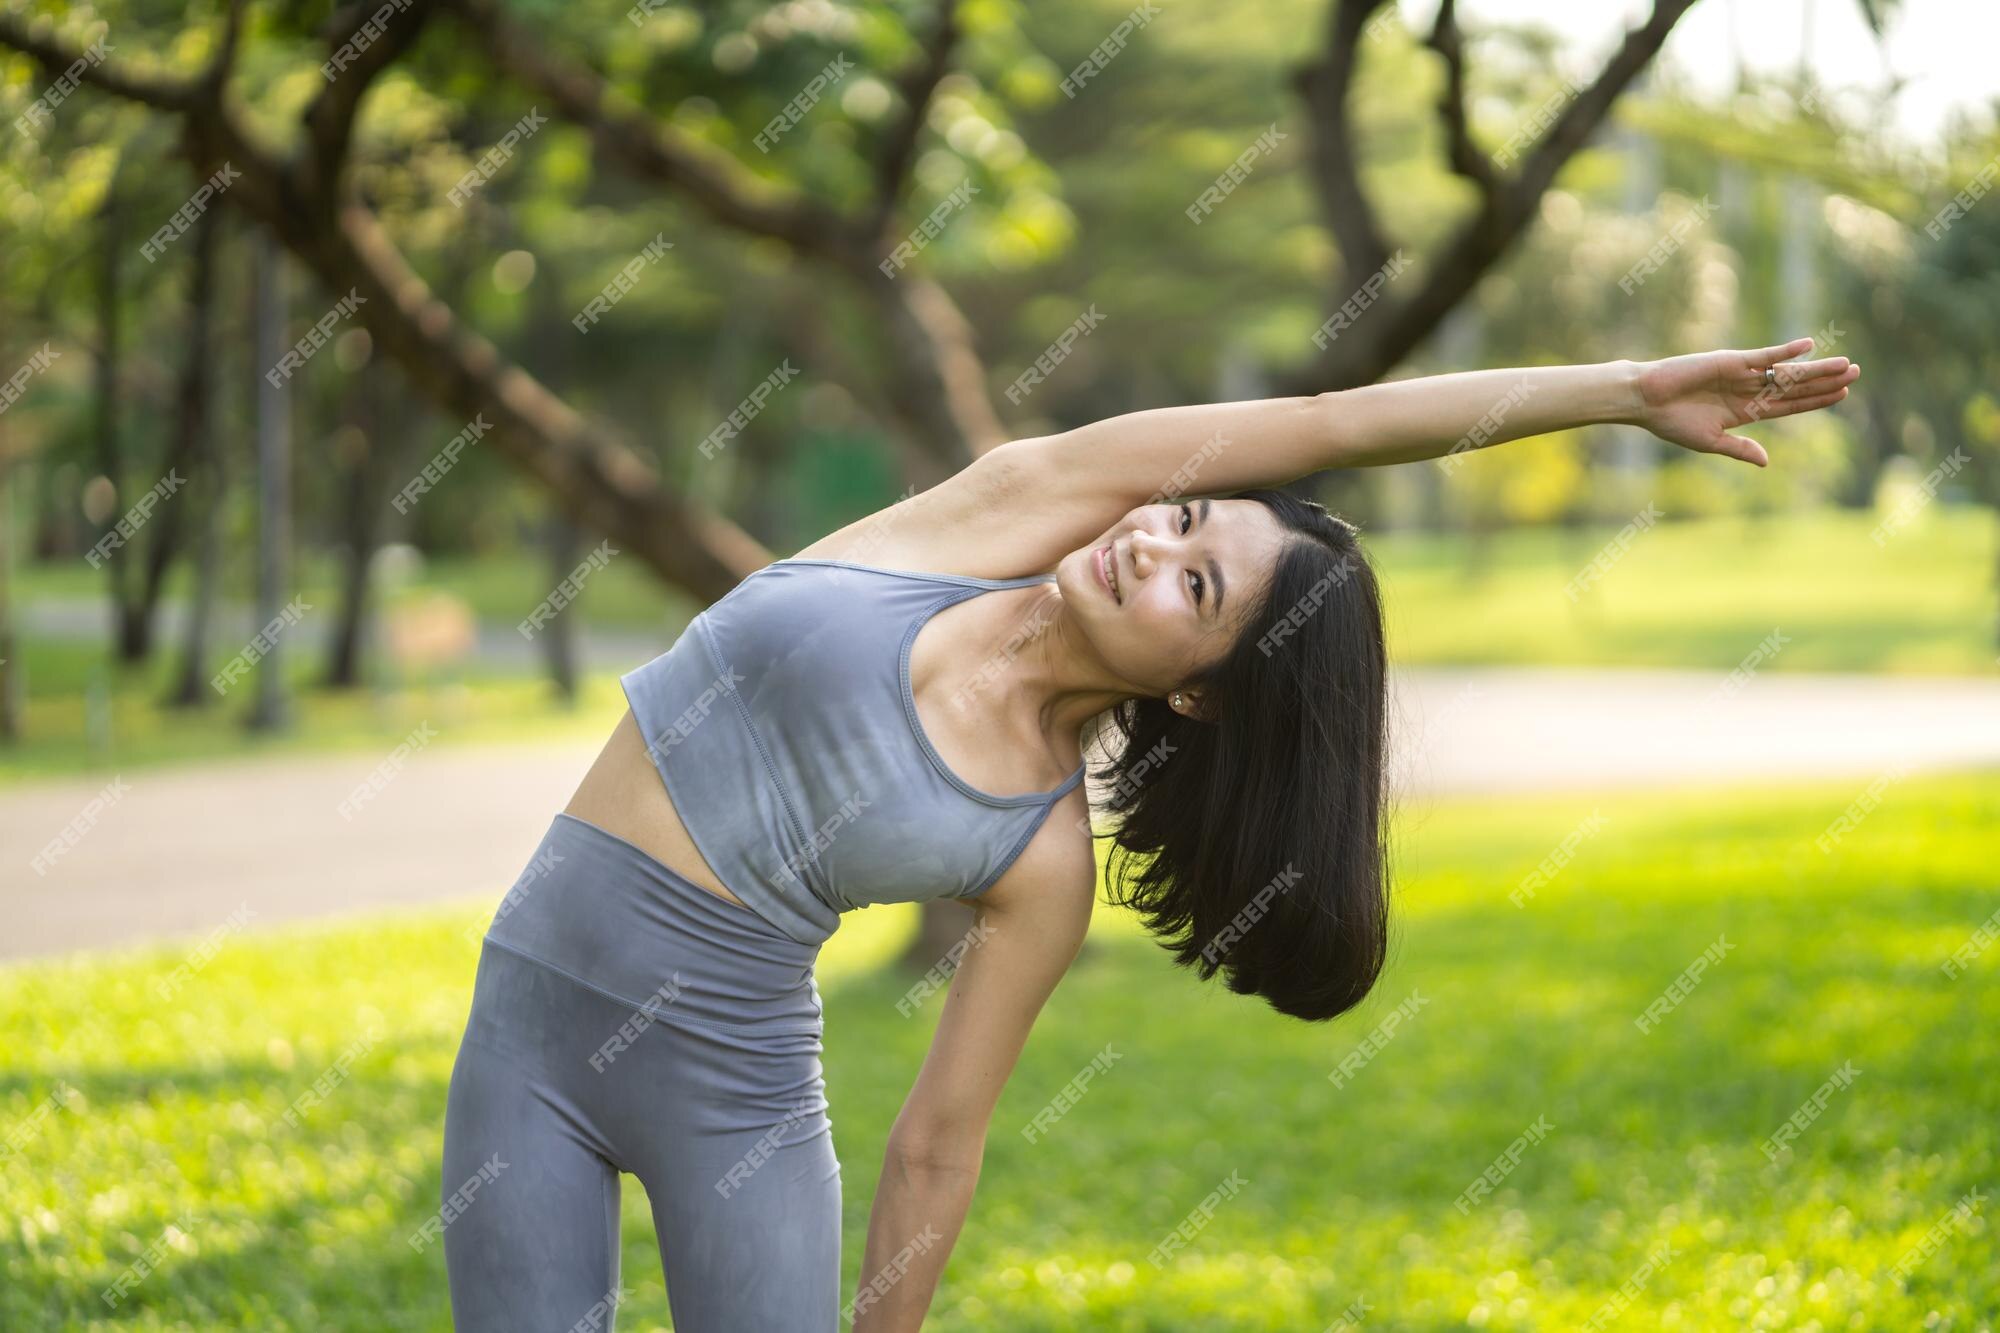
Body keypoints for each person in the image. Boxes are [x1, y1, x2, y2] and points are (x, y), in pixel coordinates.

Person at [439, 338, 1857, 1330]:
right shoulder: (1011, 503)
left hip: (735, 1106)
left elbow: (939, 1143)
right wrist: (1619, 391)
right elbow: (1334, 421)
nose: (1147, 542)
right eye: (1183, 517)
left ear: (1195, 687)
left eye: (1194, 583)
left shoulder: (1040, 858)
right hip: (527, 1027)